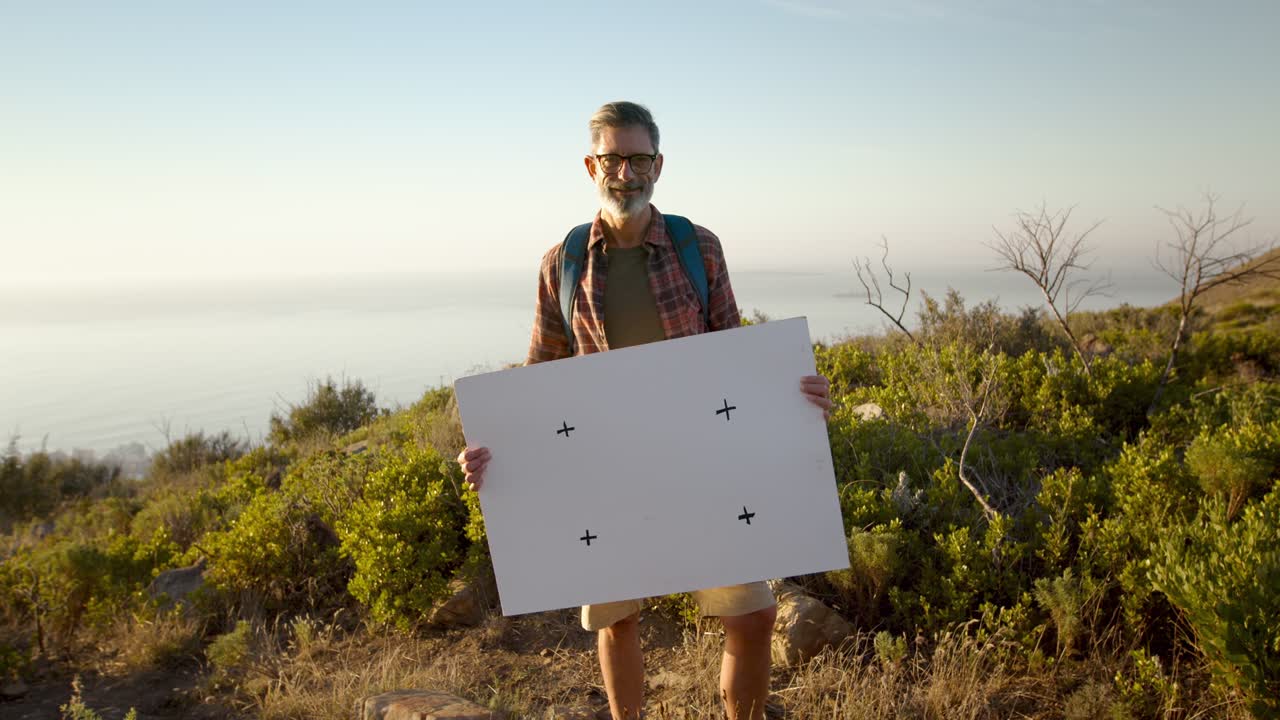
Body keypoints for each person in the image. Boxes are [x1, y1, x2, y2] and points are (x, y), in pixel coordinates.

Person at [457, 101, 832, 720]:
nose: (626, 173)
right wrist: (489, 447)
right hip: (602, 469)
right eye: (613, 159)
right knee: (618, 620)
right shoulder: (564, 262)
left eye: (638, 159)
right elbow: (540, 376)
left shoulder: (697, 247)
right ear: (590, 165)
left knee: (755, 615)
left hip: (702, 461)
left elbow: (735, 355)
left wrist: (797, 398)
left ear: (658, 164)